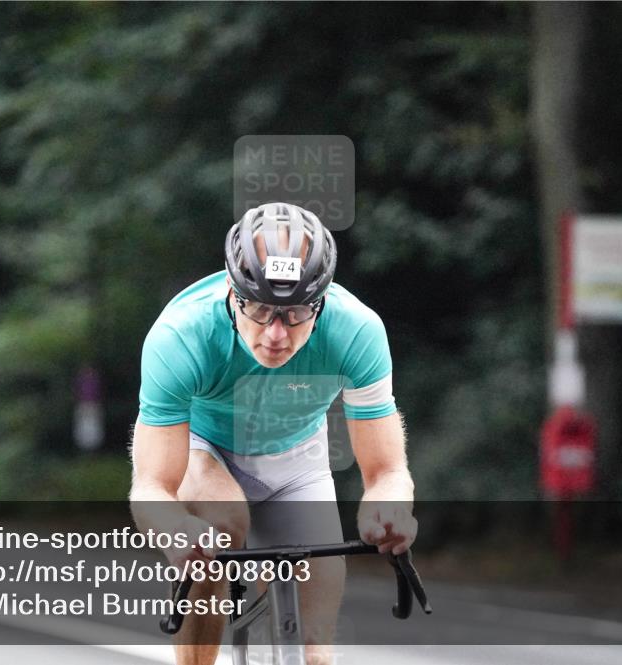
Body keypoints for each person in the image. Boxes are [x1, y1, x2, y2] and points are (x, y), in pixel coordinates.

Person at [130, 202, 416, 665]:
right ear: (233, 290)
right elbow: (152, 486)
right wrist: (176, 530)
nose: (276, 334)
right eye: (261, 309)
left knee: (312, 653)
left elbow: (387, 471)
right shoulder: (182, 335)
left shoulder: (357, 330)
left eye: (297, 311)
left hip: (296, 459)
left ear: (321, 301)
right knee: (221, 523)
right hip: (207, 450)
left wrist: (391, 510)